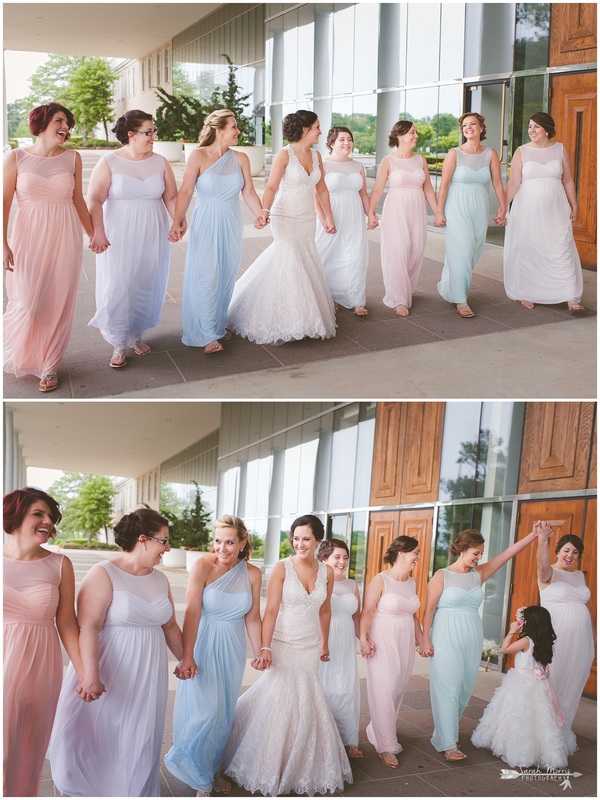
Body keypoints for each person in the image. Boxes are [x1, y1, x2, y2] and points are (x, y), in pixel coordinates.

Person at [49, 509, 183, 797]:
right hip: (109, 667)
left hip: (148, 672)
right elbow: (89, 627)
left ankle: (135, 790)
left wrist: (187, 659)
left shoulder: (161, 579)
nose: (168, 548)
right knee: (103, 734)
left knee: (142, 737)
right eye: (164, 541)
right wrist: (91, 676)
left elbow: (170, 624)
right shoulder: (103, 573)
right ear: (144, 540)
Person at [222, 515, 352, 796]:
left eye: (306, 538)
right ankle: (269, 761)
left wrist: (325, 643)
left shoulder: (326, 572)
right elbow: (270, 611)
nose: (300, 544)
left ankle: (302, 760)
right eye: (296, 538)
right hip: (283, 641)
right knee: (280, 697)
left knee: (307, 698)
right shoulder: (281, 568)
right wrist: (264, 647)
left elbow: (325, 609)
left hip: (310, 643)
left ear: (318, 540)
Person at [164, 515, 263, 797]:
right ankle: (197, 772)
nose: (222, 548)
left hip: (232, 647)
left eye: (230, 542)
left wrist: (260, 652)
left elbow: (253, 618)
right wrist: (187, 655)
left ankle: (212, 769)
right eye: (218, 541)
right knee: (203, 711)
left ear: (243, 543)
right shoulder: (203, 566)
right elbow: (192, 611)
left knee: (222, 714)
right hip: (203, 644)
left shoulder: (253, 574)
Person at [420, 527, 537, 761]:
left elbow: (507, 554)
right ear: (462, 550)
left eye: (481, 554)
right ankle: (449, 744)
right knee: (448, 689)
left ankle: (443, 734)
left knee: (463, 690)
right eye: (475, 553)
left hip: (472, 637)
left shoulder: (479, 574)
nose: (478, 558)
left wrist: (533, 535)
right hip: (445, 638)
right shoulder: (442, 575)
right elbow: (429, 609)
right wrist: (425, 639)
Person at [3, 103, 95, 392]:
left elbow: (78, 200)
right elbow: (4, 204)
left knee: (58, 302)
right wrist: (2, 243)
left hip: (65, 236)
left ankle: (50, 365)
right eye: (59, 120)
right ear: (41, 124)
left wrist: (94, 235)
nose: (65, 126)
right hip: (27, 236)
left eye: (67, 122)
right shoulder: (15, 158)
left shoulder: (73, 158)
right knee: (28, 304)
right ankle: (26, 352)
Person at [3, 487, 87, 797]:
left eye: (50, 517)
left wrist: (85, 673)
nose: (47, 521)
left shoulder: (59, 564)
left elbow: (67, 623)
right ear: (15, 515)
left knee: (28, 753)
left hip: (41, 669)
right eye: (38, 513)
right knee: (4, 753)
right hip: (3, 663)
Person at [227, 110, 337, 345]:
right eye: (317, 127)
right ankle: (287, 321)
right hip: (284, 215)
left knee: (304, 260)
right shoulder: (284, 154)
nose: (320, 131)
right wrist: (263, 211)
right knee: (289, 260)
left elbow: (322, 190)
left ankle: (304, 318)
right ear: (306, 129)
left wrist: (328, 217)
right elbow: (271, 187)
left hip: (307, 218)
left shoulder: (317, 156)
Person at [169, 110, 268, 354]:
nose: (238, 131)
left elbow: (248, 192)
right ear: (219, 130)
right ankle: (206, 334)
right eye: (234, 127)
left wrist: (260, 212)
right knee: (207, 274)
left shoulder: (241, 158)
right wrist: (176, 222)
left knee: (225, 273)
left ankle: (216, 324)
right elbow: (185, 192)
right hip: (206, 221)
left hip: (231, 221)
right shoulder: (198, 156)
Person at [87, 110, 179, 368]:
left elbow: (170, 197)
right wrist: (99, 231)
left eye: (153, 131)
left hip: (152, 229)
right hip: (118, 229)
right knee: (118, 284)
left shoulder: (160, 161)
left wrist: (177, 221)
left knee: (145, 283)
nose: (154, 136)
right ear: (131, 135)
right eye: (148, 132)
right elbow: (94, 199)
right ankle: (118, 342)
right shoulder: (109, 161)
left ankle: (136, 334)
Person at [471, 605, 576, 768]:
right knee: (539, 719)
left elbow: (505, 649)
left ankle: (517, 751)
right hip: (539, 684)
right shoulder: (544, 641)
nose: (521, 622)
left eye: (523, 620)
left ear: (530, 622)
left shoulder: (526, 641)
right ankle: (540, 751)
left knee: (518, 716)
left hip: (521, 683)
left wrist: (512, 630)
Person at [503, 112, 584, 312]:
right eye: (530, 126)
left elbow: (568, 180)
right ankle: (526, 292)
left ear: (547, 128)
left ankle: (570, 296)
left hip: (556, 209)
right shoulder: (521, 151)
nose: (532, 130)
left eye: (536, 126)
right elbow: (514, 182)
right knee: (529, 248)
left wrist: (574, 205)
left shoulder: (561, 150)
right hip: (527, 208)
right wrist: (503, 206)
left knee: (560, 247)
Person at [359, 535, 424, 768]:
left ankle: (380, 728)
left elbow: (413, 615)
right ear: (402, 552)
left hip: (405, 639)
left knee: (397, 687)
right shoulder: (380, 580)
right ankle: (387, 746)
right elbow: (367, 612)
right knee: (384, 689)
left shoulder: (412, 582)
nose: (418, 556)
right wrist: (363, 639)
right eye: (415, 552)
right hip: (383, 636)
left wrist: (422, 639)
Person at [435, 113, 507, 318]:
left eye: (473, 124)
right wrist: (439, 212)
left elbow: (497, 183)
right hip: (456, 205)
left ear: (481, 128)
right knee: (463, 250)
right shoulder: (454, 153)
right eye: (465, 125)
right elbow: (444, 185)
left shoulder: (491, 153)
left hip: (479, 205)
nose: (468, 127)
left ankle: (451, 285)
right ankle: (460, 299)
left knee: (475, 249)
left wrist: (503, 207)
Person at [367, 121, 438, 316]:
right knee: (398, 251)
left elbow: (428, 189)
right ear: (400, 136)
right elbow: (378, 189)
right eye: (412, 133)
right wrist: (371, 213)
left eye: (415, 133)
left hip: (417, 208)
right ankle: (398, 297)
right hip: (396, 208)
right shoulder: (388, 161)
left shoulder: (420, 160)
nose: (416, 136)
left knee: (416, 250)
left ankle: (407, 288)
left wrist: (438, 212)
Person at [537, 524, 595, 733]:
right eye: (566, 550)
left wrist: (594, 640)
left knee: (574, 684)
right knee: (554, 682)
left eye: (575, 552)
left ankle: (563, 733)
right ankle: (545, 733)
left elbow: (586, 608)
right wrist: (543, 539)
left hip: (582, 642)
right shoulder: (548, 572)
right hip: (556, 640)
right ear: (558, 551)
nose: (570, 555)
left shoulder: (579, 575)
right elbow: (542, 565)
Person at [315, 126, 370, 316]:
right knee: (327, 255)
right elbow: (315, 194)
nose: (347, 143)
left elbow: (363, 194)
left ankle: (356, 300)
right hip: (332, 214)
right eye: (342, 139)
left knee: (356, 256)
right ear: (331, 143)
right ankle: (327, 296)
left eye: (349, 139)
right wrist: (323, 219)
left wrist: (370, 214)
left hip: (354, 215)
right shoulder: (323, 164)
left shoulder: (358, 166)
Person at [316, 537, 363, 759]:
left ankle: (349, 740)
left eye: (345, 557)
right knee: (325, 688)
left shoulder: (353, 585)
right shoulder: (318, 580)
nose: (342, 561)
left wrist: (364, 639)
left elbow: (357, 617)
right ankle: (325, 738)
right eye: (337, 557)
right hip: (324, 638)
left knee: (346, 688)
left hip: (345, 641)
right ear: (325, 558)